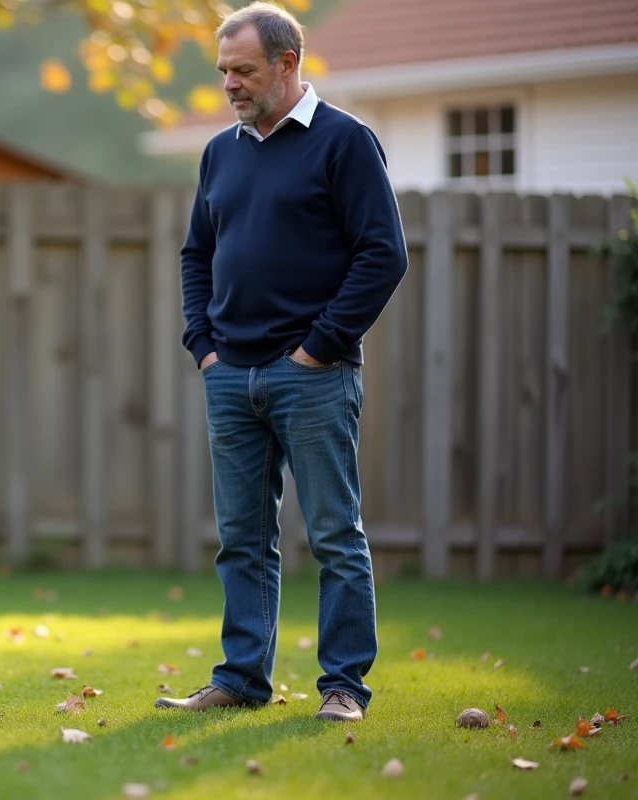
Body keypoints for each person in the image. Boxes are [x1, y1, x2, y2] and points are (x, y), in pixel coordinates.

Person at [155, 1, 407, 723]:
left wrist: (316, 348)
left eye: (243, 70)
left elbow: (383, 255)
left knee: (334, 536)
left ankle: (344, 689)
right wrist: (202, 347)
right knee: (241, 541)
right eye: (222, 71)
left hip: (315, 378)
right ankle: (239, 679)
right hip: (230, 375)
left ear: (287, 64)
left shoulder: (345, 141)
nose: (229, 84)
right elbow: (196, 254)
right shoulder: (220, 152)